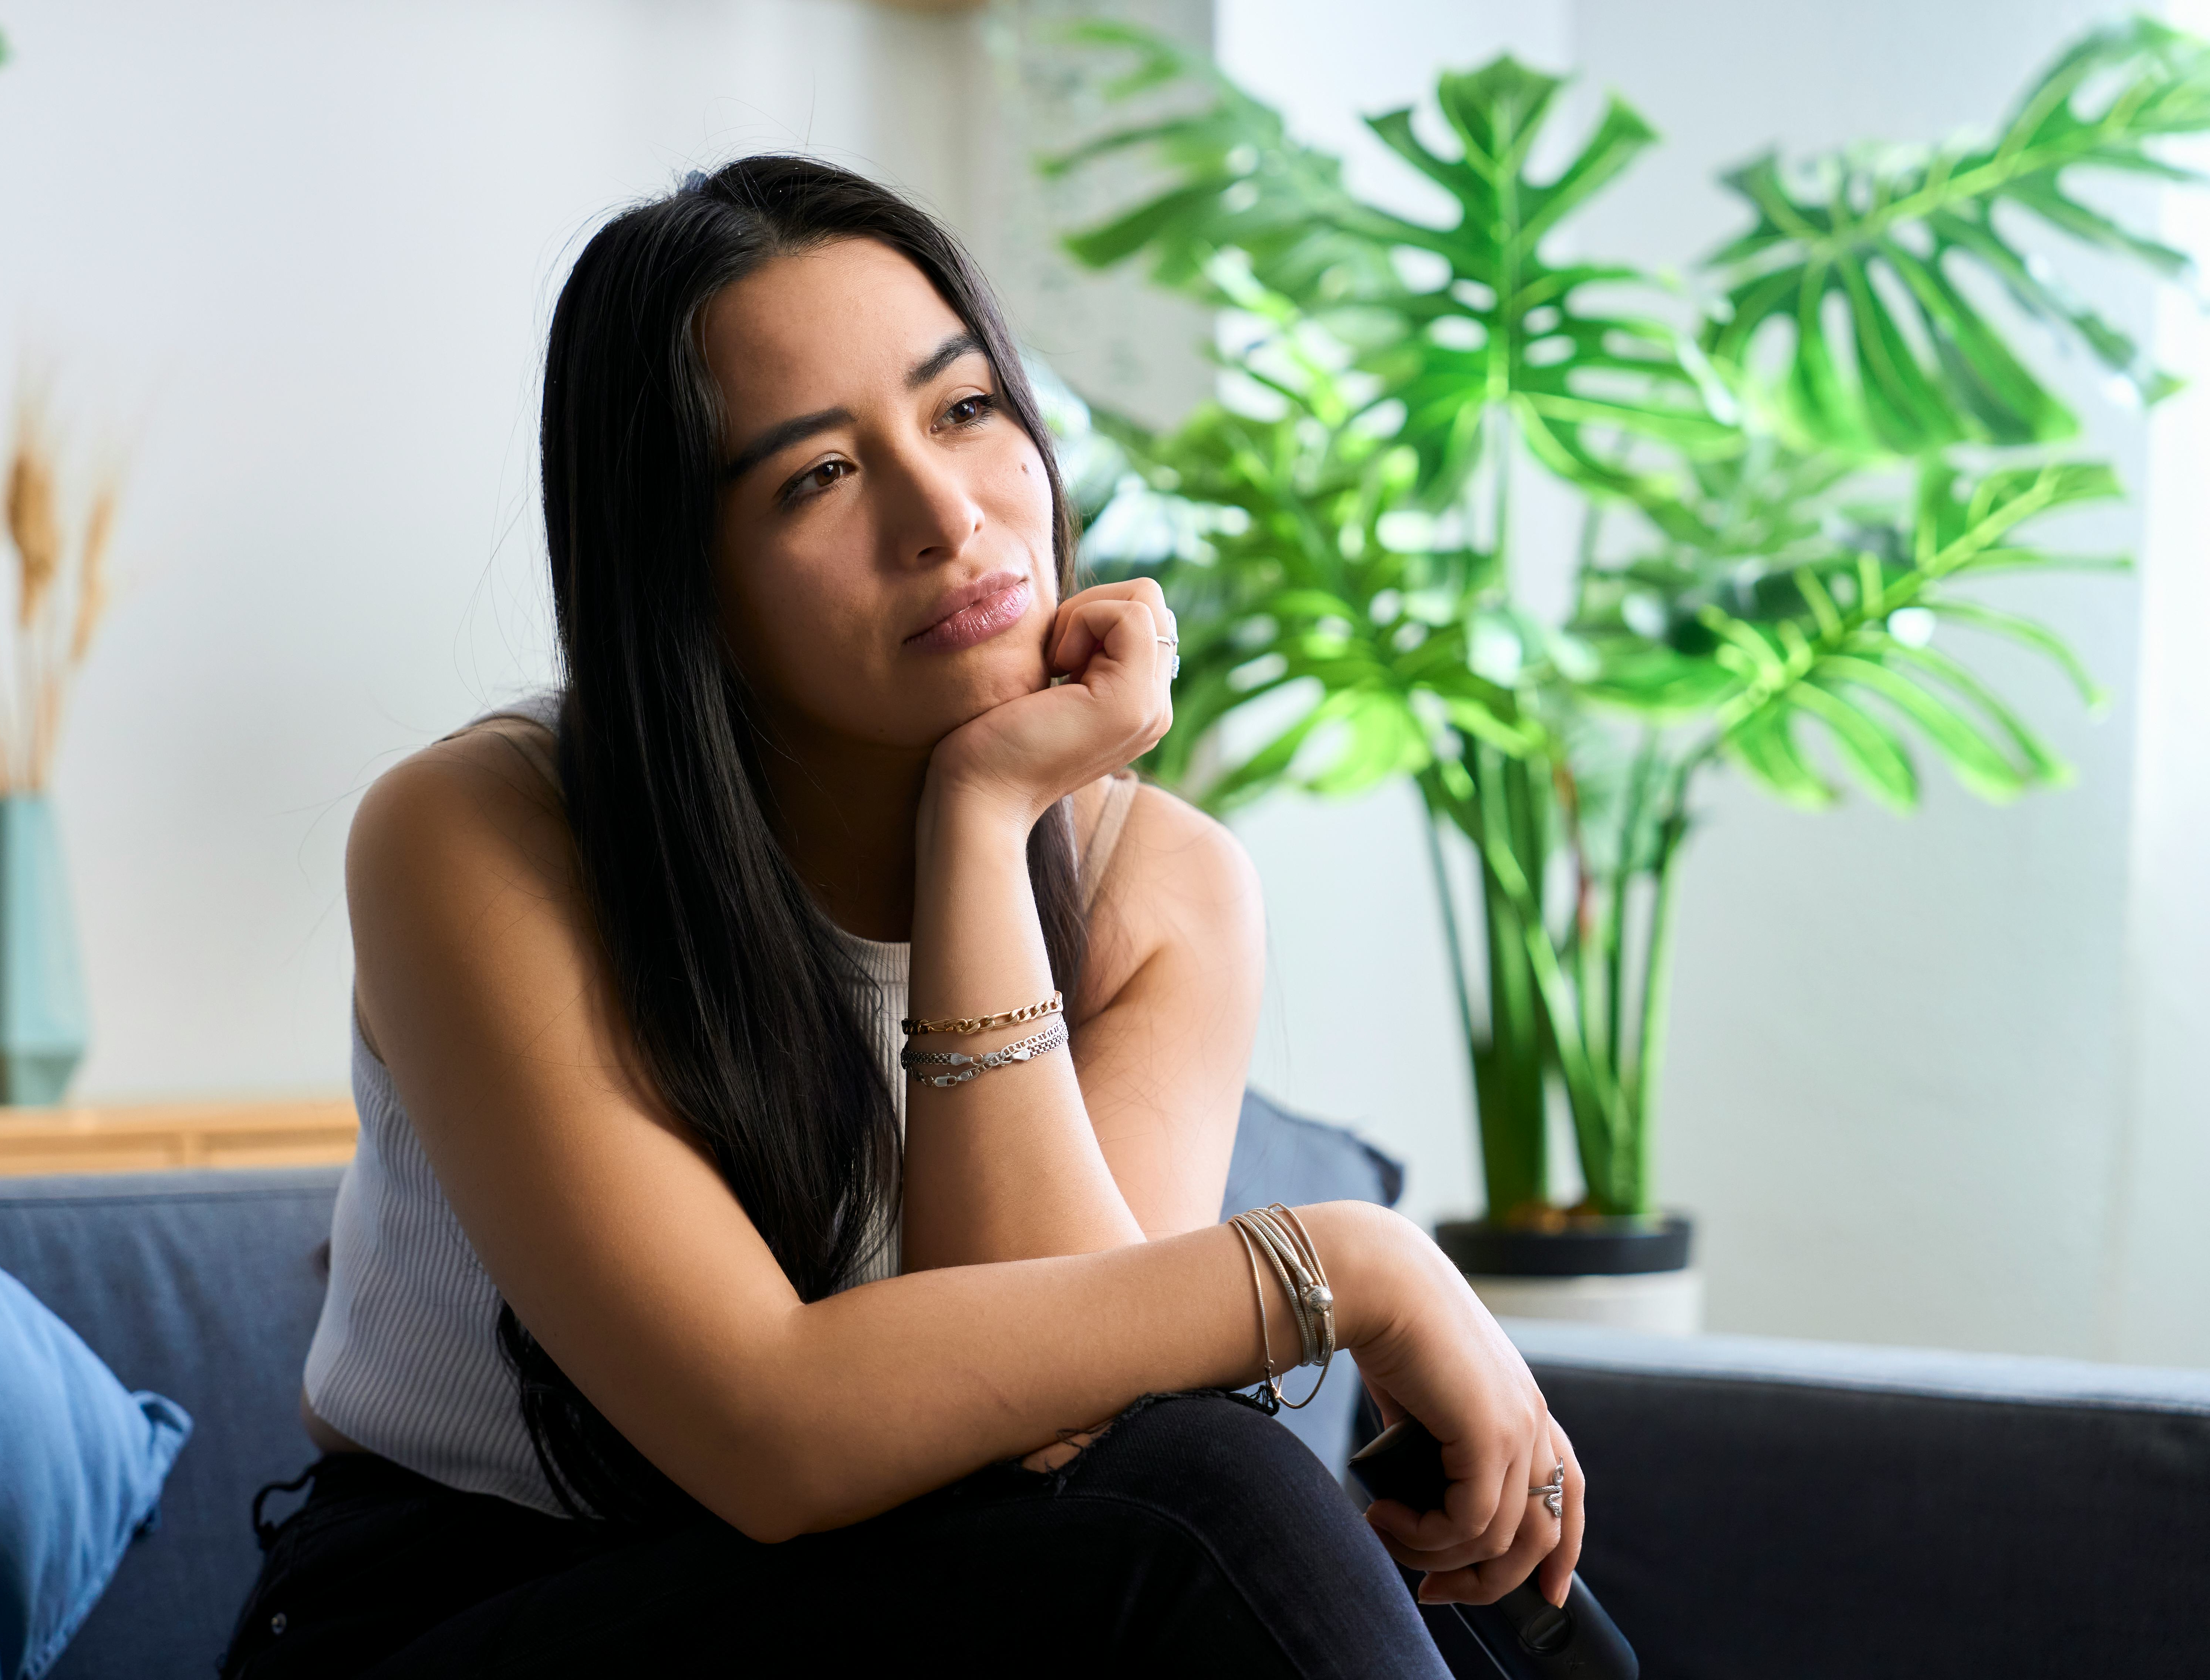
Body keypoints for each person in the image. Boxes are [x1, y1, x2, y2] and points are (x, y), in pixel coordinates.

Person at [220, 155, 1583, 1679]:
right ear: (687, 582)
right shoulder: (482, 835)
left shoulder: (1161, 884)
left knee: (1325, 1557)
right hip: (476, 1611)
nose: (947, 515)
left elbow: (1062, 1436)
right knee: (1202, 1513)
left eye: (964, 410)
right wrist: (1359, 1265)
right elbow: (768, 1424)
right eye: (817, 476)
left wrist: (984, 825)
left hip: (916, 1595)